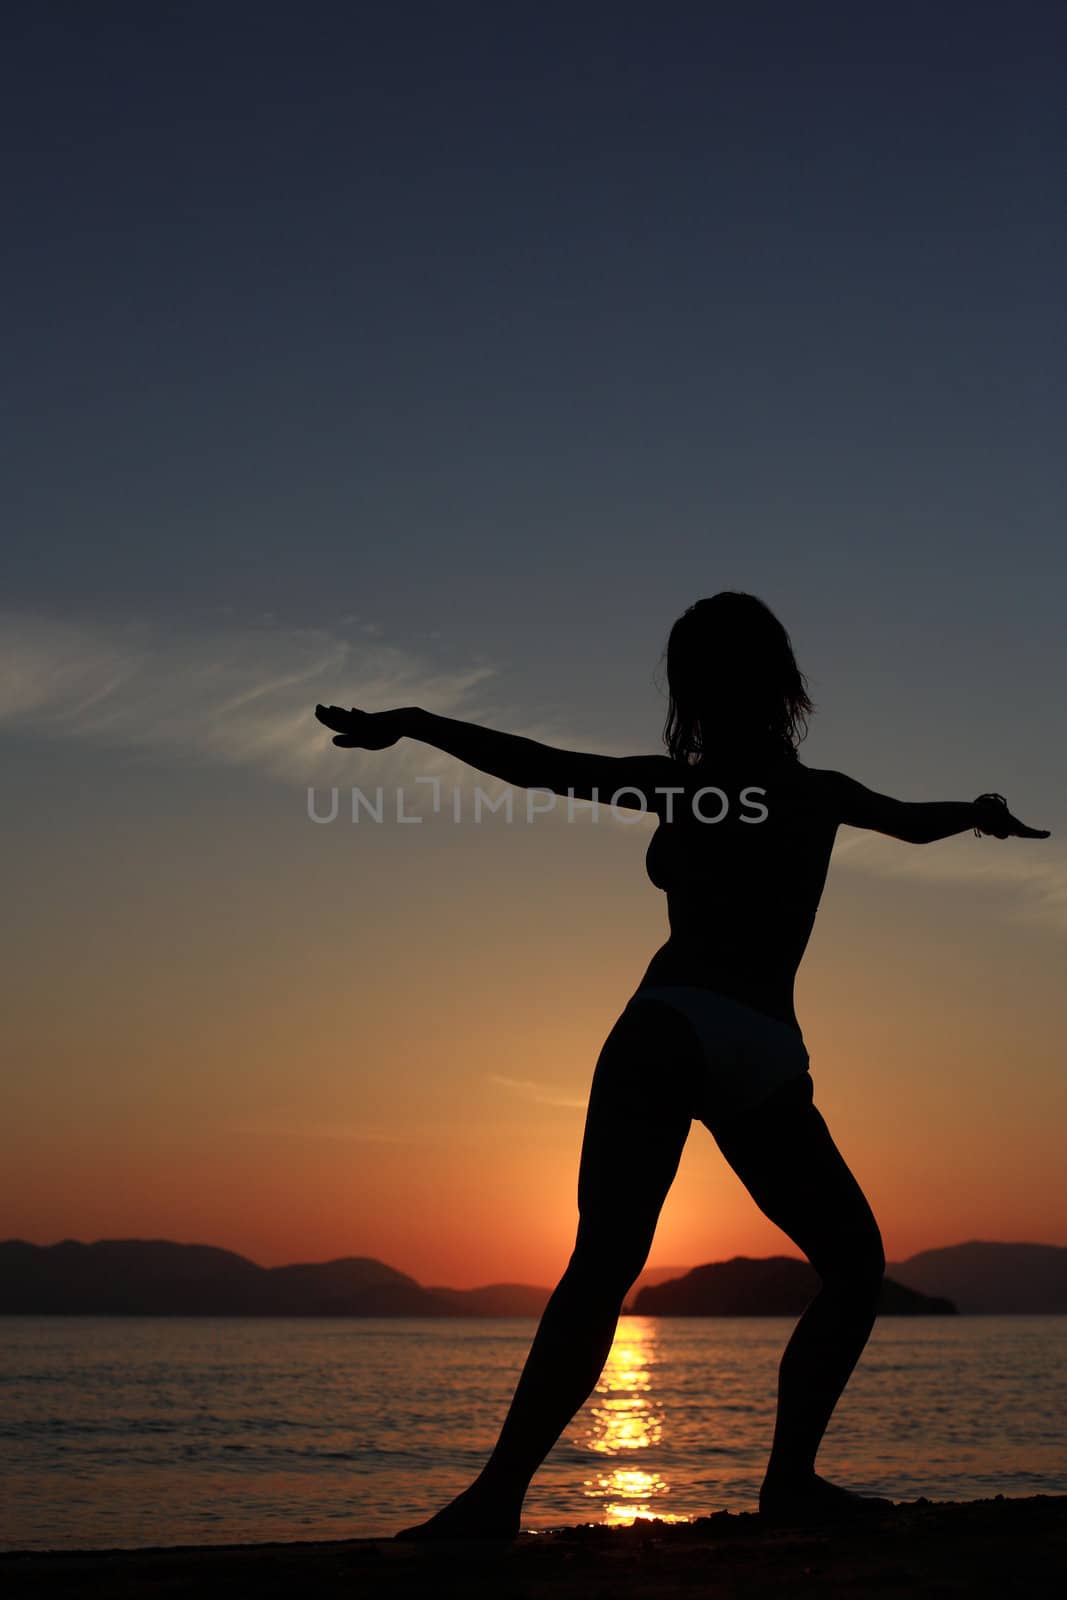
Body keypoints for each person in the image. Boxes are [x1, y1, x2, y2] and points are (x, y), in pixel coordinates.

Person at [314, 591, 1049, 1536]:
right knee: (850, 1269)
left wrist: (411, 725)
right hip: (759, 1045)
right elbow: (912, 821)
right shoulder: (815, 791)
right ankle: (781, 1482)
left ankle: (497, 1503)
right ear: (784, 682)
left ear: (690, 687)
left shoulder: (689, 787)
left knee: (607, 1268)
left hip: (669, 1025)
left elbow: (540, 768)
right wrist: (978, 812)